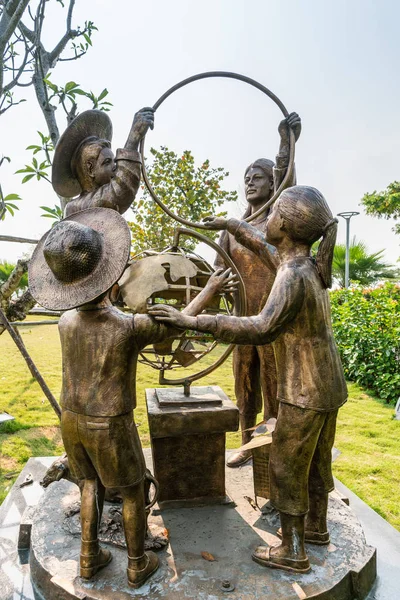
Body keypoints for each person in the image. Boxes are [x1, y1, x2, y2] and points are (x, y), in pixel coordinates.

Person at [28, 207, 236, 587]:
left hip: (71, 420)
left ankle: (88, 559)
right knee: (132, 491)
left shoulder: (64, 321)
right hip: (111, 423)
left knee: (89, 483)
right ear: (110, 286)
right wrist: (208, 290)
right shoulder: (127, 327)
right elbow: (178, 320)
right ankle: (137, 563)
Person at [149, 185, 348, 574]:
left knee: (287, 467)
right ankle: (316, 528)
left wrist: (194, 321)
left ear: (286, 225)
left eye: (273, 214)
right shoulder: (305, 264)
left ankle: (292, 550)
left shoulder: (291, 274)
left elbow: (261, 327)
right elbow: (259, 243)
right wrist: (229, 224)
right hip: (328, 385)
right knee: (318, 463)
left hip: (304, 389)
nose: (266, 219)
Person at [212, 112, 301, 467]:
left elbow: (290, 187)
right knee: (244, 387)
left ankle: (270, 445)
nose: (250, 182)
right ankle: (245, 442)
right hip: (240, 320)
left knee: (274, 388)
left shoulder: (277, 225)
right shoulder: (232, 228)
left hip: (273, 322)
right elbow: (217, 270)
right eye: (247, 178)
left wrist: (286, 142)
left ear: (271, 182)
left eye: (258, 177)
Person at [51, 107, 154, 217]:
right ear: (90, 169)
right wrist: (133, 140)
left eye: (114, 161)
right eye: (107, 162)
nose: (115, 167)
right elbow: (119, 191)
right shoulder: (76, 207)